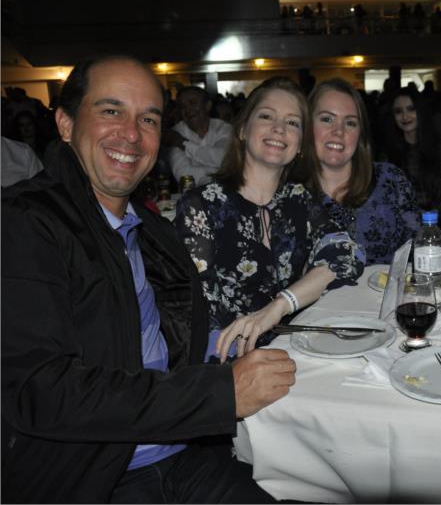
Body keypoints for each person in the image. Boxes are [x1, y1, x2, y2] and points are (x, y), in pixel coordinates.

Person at [2, 55, 294, 503]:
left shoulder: (151, 231)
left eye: (149, 119)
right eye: (111, 111)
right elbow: (41, 390)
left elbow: (164, 338)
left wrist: (231, 344)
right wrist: (219, 393)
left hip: (186, 452)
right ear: (65, 124)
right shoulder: (24, 222)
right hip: (96, 477)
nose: (132, 134)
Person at [175, 77, 365, 360]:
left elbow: (347, 254)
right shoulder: (200, 205)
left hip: (298, 351)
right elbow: (199, 313)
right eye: (266, 116)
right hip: (230, 362)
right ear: (242, 129)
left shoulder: (299, 199)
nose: (279, 128)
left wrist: (280, 305)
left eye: (292, 122)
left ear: (300, 145)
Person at [296, 78, 420, 265]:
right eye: (327, 119)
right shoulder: (289, 195)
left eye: (350, 123)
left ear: (360, 133)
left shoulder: (391, 180)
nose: (338, 131)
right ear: (307, 126)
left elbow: (421, 253)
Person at [384, 86, 441, 215]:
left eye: (411, 109)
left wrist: (424, 222)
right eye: (398, 111)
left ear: (421, 111)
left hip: (435, 220)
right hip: (400, 220)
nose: (405, 116)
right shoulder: (391, 150)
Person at [164, 85, 233, 186]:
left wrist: (183, 144)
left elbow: (223, 158)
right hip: (194, 194)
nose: (188, 110)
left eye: (193, 103)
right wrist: (220, 173)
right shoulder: (175, 133)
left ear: (208, 105)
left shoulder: (223, 128)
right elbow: (184, 175)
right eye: (183, 107)